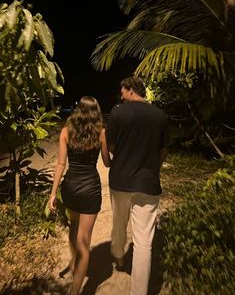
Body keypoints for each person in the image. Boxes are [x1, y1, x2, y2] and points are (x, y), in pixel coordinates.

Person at [105, 76, 168, 295]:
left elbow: (110, 145)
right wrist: (152, 168)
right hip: (148, 183)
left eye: (122, 91)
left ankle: (119, 256)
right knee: (144, 243)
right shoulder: (160, 116)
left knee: (119, 223)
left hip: (120, 181)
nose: (120, 95)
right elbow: (163, 150)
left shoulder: (118, 111)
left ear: (130, 89)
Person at [48, 96, 111, 295]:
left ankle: (75, 261)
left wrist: (52, 194)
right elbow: (107, 162)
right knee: (85, 241)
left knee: (74, 227)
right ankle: (76, 291)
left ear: (77, 111)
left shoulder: (66, 132)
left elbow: (60, 164)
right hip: (90, 189)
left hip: (71, 188)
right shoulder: (101, 133)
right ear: (96, 113)